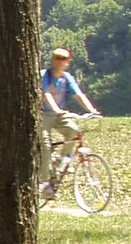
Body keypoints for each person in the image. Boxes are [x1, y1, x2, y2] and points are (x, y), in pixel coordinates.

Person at [40, 47, 101, 188]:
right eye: (58, 58)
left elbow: (78, 94)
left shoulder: (67, 77)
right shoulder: (44, 75)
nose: (61, 62)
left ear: (68, 62)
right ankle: (43, 184)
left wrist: (92, 110)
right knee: (45, 147)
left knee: (74, 130)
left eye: (64, 59)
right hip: (43, 115)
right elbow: (46, 93)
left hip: (60, 115)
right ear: (53, 60)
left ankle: (62, 162)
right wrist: (56, 109)